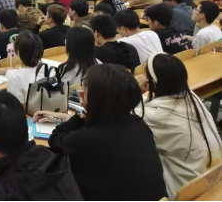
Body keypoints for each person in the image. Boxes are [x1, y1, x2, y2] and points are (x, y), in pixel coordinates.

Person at [39, 65, 167, 201]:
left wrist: (84, 112)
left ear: (96, 98)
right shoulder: (140, 125)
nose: (82, 89)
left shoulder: (87, 140)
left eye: (86, 85)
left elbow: (55, 139)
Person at [136, 53, 222, 200]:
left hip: (190, 191)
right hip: (214, 175)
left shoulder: (156, 116)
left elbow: (131, 114)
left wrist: (137, 92)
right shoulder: (191, 96)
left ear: (153, 83)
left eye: (146, 75)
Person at [0, 30, 43, 102]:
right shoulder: (48, 68)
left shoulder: (15, 78)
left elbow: (15, 105)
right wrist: (4, 71)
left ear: (18, 53)